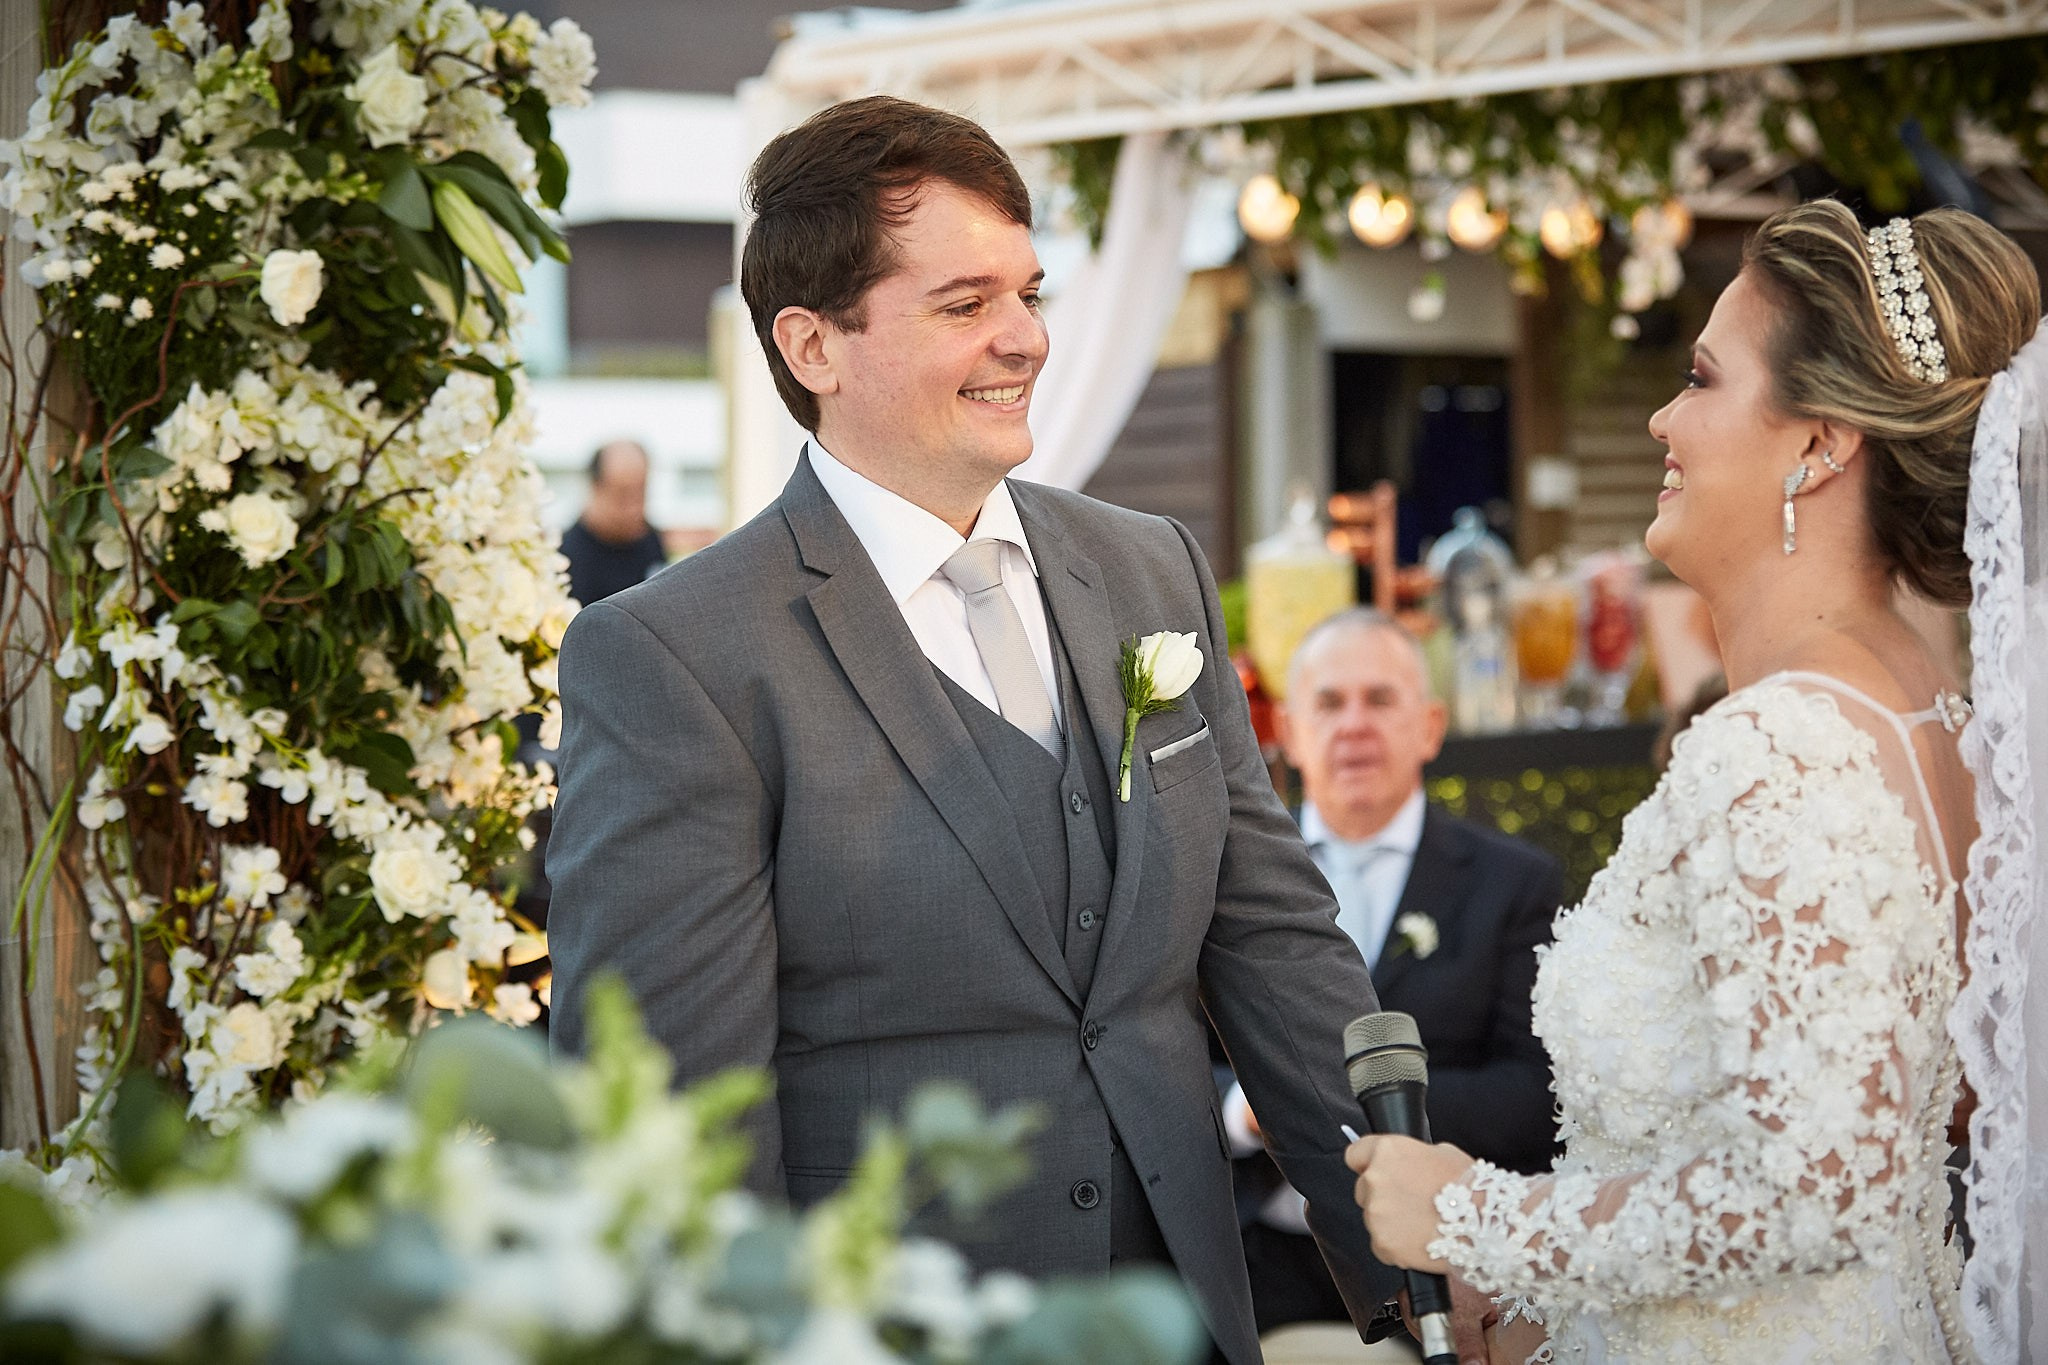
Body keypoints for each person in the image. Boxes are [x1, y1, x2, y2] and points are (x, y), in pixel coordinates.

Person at [545, 96, 1404, 1365]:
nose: (1026, 340)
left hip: (1186, 1319)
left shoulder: (1149, 571)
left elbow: (1272, 937)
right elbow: (675, 1118)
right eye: (963, 306)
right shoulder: (676, 655)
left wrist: (1414, 1268)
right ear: (814, 346)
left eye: (1029, 290)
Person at [1346, 200, 2045, 1364]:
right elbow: (1908, 1133)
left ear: (1819, 441)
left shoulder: (1775, 748)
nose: (1663, 416)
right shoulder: (1939, 723)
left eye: (1701, 380)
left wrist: (1477, 1217)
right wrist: (1553, 1308)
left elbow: (1819, 1190)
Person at [1226, 607, 1562, 1336]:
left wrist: (1345, 1097)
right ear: (1282, 727)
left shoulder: (1515, 884)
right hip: (1257, 1259)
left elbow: (1534, 1096)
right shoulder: (1219, 878)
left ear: (1430, 726)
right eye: (1329, 701)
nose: (1354, 724)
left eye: (1379, 699)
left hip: (1448, 1263)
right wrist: (1241, 1111)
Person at [559, 438, 666, 605]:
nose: (634, 508)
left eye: (640, 493)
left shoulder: (651, 540)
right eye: (622, 496)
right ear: (595, 488)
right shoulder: (566, 560)